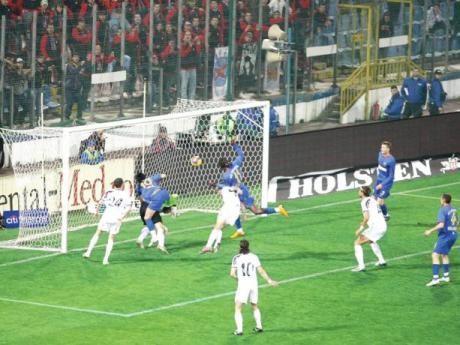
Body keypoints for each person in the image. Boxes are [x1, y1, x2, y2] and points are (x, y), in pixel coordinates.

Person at [201, 141, 244, 254]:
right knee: (218, 226)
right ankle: (214, 244)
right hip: (233, 196)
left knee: (218, 226)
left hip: (232, 202)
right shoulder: (236, 164)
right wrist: (235, 145)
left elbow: (226, 188)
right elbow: (241, 155)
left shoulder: (226, 176)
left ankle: (209, 245)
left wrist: (214, 184)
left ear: (221, 167)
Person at [231, 240, 278, 336]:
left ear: (239, 247)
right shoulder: (254, 257)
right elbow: (261, 271)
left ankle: (239, 330)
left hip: (243, 285)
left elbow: (232, 274)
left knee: (238, 308)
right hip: (253, 284)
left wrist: (239, 279)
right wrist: (269, 281)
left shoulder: (236, 258)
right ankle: (259, 326)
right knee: (254, 305)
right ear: (248, 246)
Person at [83, 178, 132, 265]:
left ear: (114, 184)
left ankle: (88, 252)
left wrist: (97, 212)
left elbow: (100, 202)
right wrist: (122, 216)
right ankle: (105, 260)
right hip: (117, 218)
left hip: (106, 216)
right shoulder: (125, 195)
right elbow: (128, 207)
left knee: (98, 233)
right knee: (111, 238)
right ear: (122, 185)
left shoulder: (108, 192)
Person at [424, 194, 458, 287]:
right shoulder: (453, 209)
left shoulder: (442, 210)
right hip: (454, 235)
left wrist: (429, 231)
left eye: (441, 199)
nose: (440, 200)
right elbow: (456, 222)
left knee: (435, 255)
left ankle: (435, 279)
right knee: (444, 254)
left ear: (443, 200)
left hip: (445, 236)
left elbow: (441, 225)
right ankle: (446, 276)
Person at [352, 186, 388, 272]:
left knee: (357, 243)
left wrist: (360, 229)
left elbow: (366, 217)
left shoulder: (364, 202)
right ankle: (381, 261)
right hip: (382, 225)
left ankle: (361, 266)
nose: (358, 192)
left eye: (359, 191)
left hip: (376, 227)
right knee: (371, 241)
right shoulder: (372, 199)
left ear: (362, 192)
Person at [141, 175, 171, 254]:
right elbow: (163, 175)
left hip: (152, 203)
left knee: (147, 218)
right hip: (164, 194)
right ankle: (161, 245)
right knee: (160, 227)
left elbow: (144, 199)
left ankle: (154, 237)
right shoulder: (152, 178)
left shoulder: (142, 189)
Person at [374, 141, 395, 221]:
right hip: (379, 180)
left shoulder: (391, 160)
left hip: (386, 183)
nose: (381, 149)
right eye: (381, 147)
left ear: (388, 149)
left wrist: (382, 184)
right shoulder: (380, 154)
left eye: (383, 147)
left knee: (378, 202)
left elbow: (391, 176)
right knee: (376, 199)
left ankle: (375, 219)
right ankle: (386, 215)